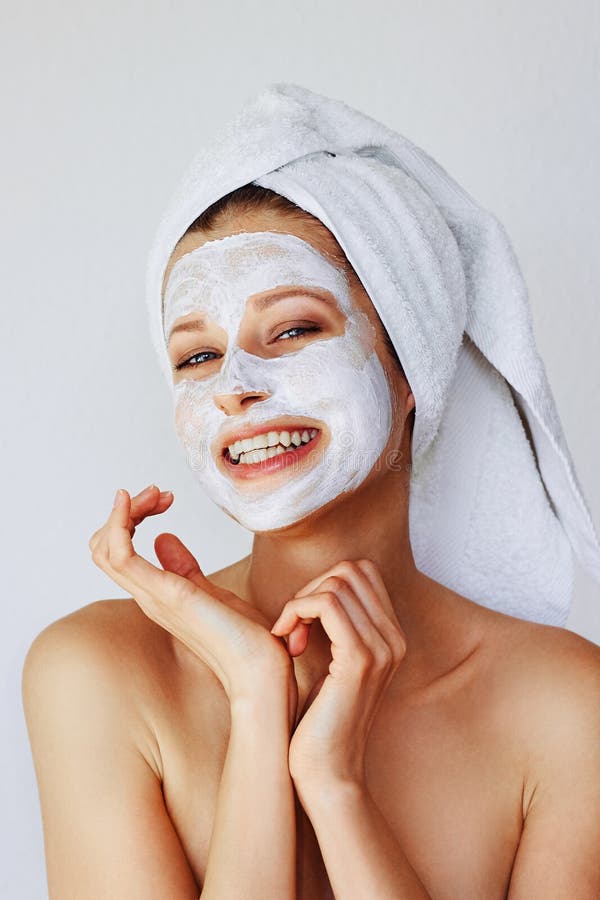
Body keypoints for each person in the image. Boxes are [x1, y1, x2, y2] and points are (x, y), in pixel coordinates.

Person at [23, 93, 600, 898]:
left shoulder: (566, 706)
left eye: (292, 330)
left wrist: (336, 787)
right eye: (195, 358)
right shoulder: (98, 672)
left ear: (410, 370)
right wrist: (258, 701)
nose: (234, 388)